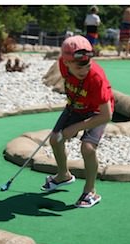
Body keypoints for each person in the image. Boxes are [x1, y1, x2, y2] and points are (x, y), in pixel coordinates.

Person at [42, 35, 114, 208]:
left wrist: (76, 127)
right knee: (55, 139)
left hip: (97, 111)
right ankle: (63, 175)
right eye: (79, 66)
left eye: (87, 65)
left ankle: (90, 191)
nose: (84, 70)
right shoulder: (62, 64)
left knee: (88, 148)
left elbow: (107, 115)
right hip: (75, 106)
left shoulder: (96, 78)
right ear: (66, 62)